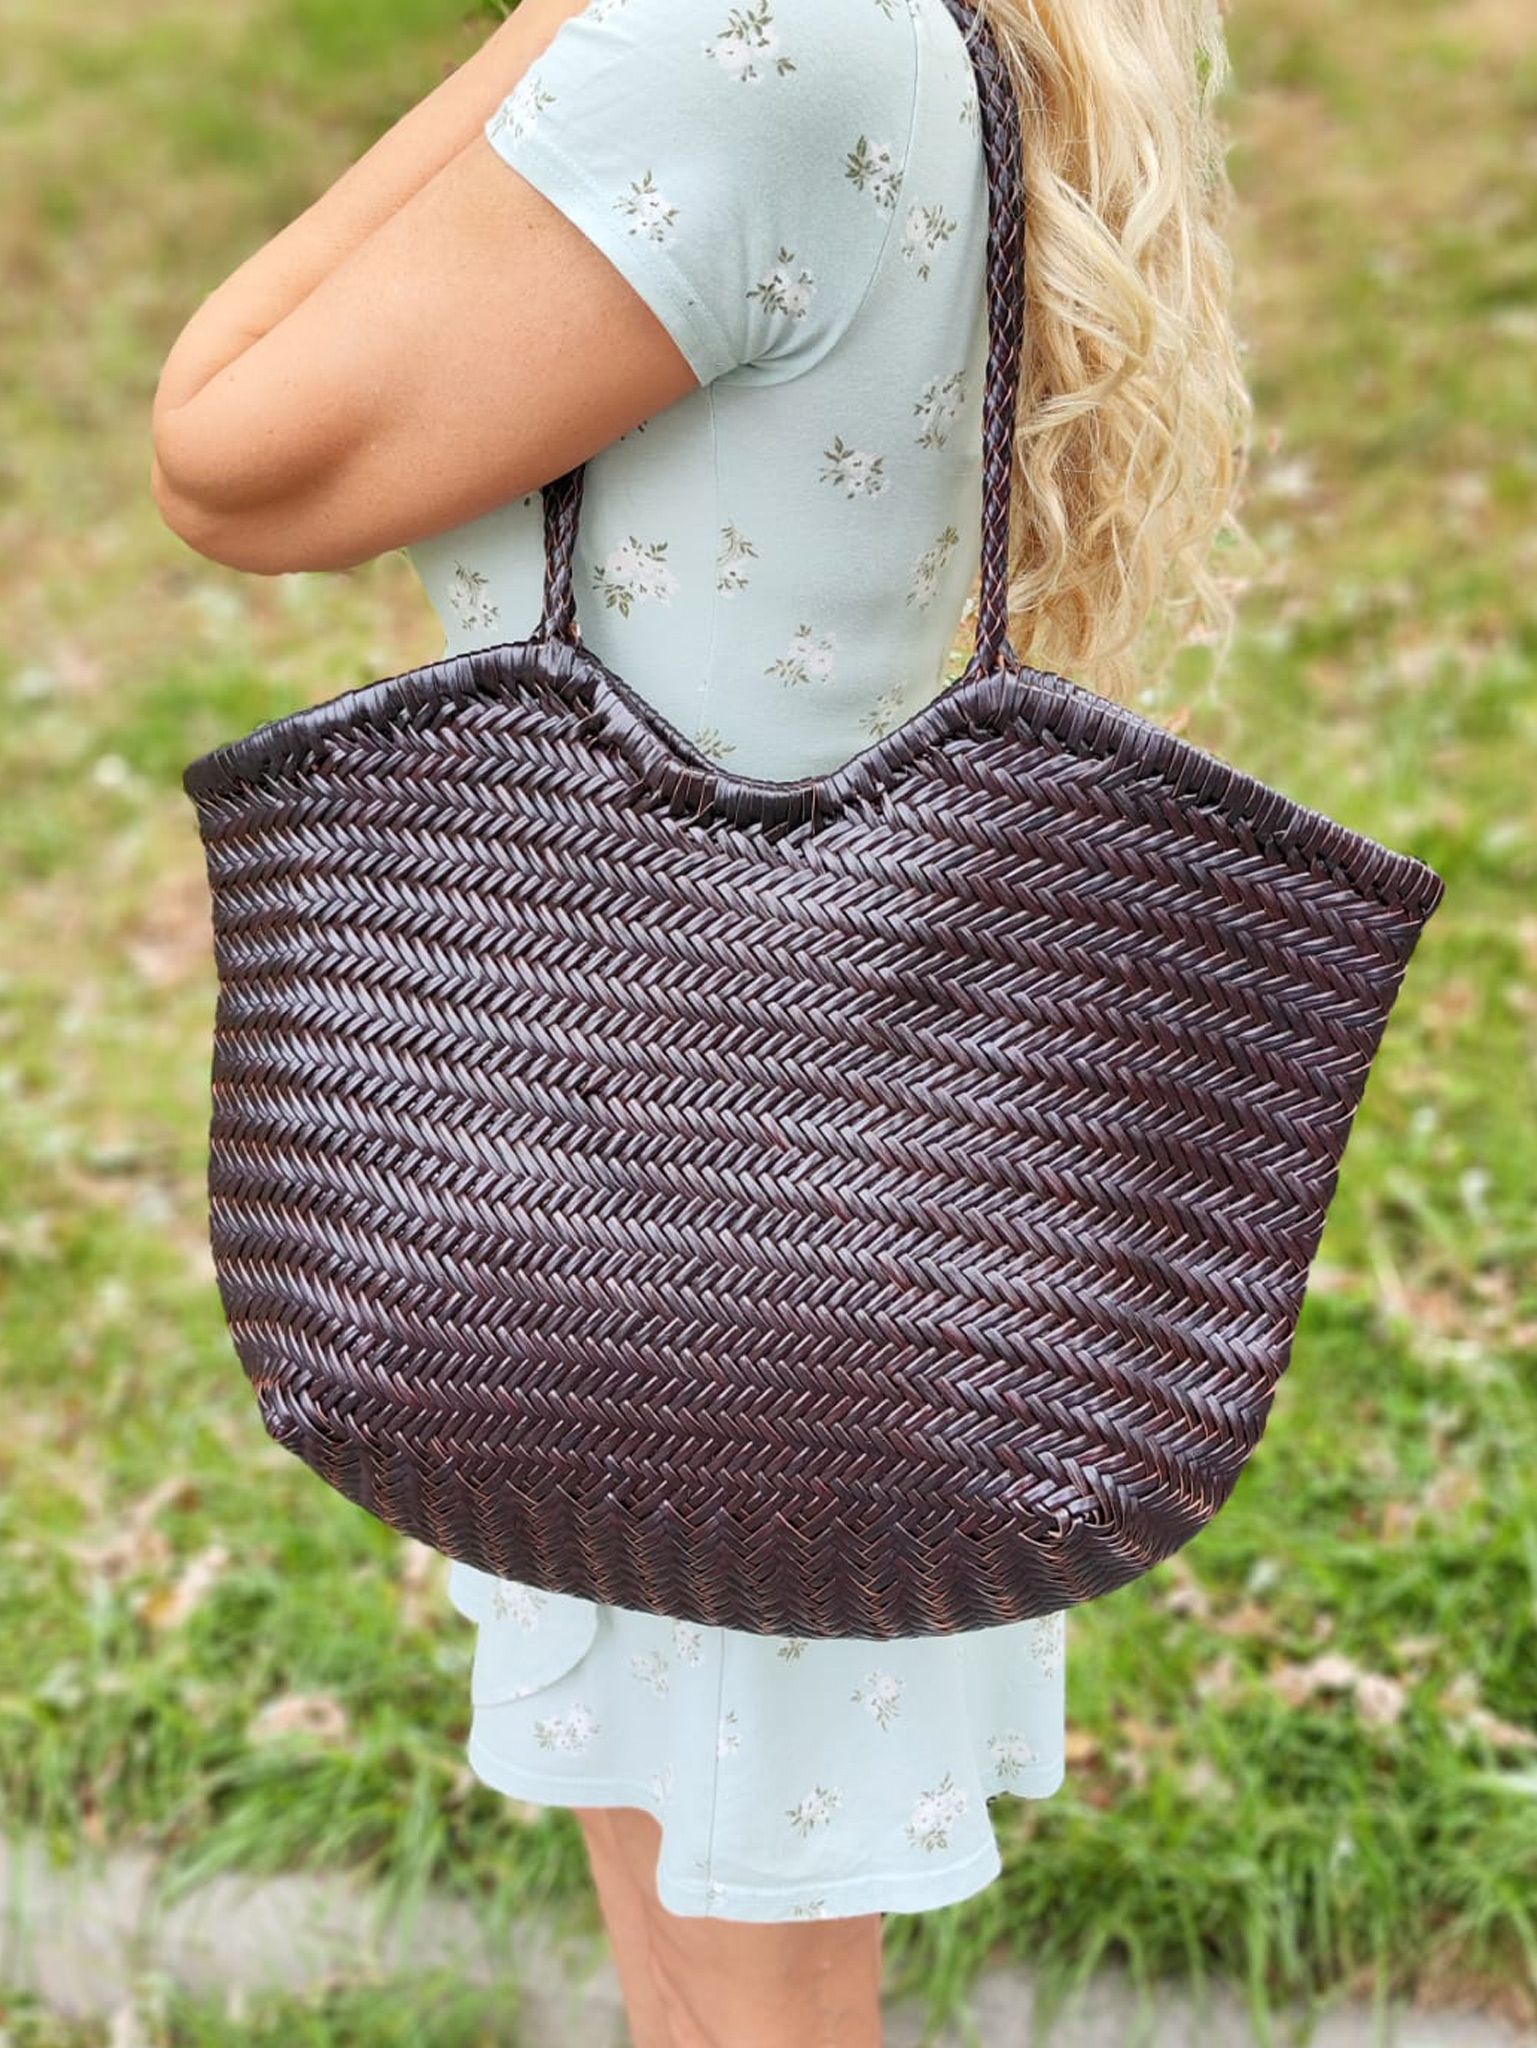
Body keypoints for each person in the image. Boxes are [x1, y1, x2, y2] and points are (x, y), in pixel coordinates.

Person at [150, 0, 1251, 2038]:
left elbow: (224, 448)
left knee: (751, 1997)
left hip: (715, 1196)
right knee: (695, 1950)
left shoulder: (739, 42)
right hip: (711, 1137)